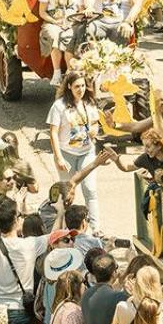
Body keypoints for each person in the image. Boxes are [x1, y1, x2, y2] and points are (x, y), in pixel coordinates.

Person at [47, 73, 104, 225]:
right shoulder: (59, 106)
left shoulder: (89, 103)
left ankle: (95, 228)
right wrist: (59, 157)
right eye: (77, 86)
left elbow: (95, 123)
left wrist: (94, 130)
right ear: (69, 87)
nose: (81, 89)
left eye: (83, 86)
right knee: (67, 194)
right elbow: (53, 133)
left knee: (90, 189)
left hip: (86, 153)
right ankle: (65, 226)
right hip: (66, 154)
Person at [38, 0, 87, 86]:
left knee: (70, 36)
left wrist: (74, 21)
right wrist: (55, 22)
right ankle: (57, 73)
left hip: (73, 20)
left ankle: (71, 74)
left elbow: (81, 10)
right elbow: (42, 12)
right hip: (53, 20)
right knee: (54, 34)